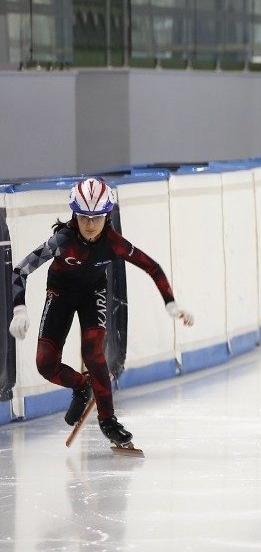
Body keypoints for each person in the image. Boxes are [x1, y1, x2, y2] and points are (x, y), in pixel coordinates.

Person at [7, 177, 194, 448]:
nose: (90, 225)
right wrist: (20, 310)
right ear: (74, 214)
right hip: (60, 294)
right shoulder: (61, 241)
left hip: (93, 293)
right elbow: (20, 272)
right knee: (45, 364)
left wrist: (171, 304)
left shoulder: (115, 243)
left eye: (97, 218)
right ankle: (81, 386)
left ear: (108, 215)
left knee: (93, 353)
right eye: (83, 217)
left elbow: (153, 267)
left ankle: (108, 421)